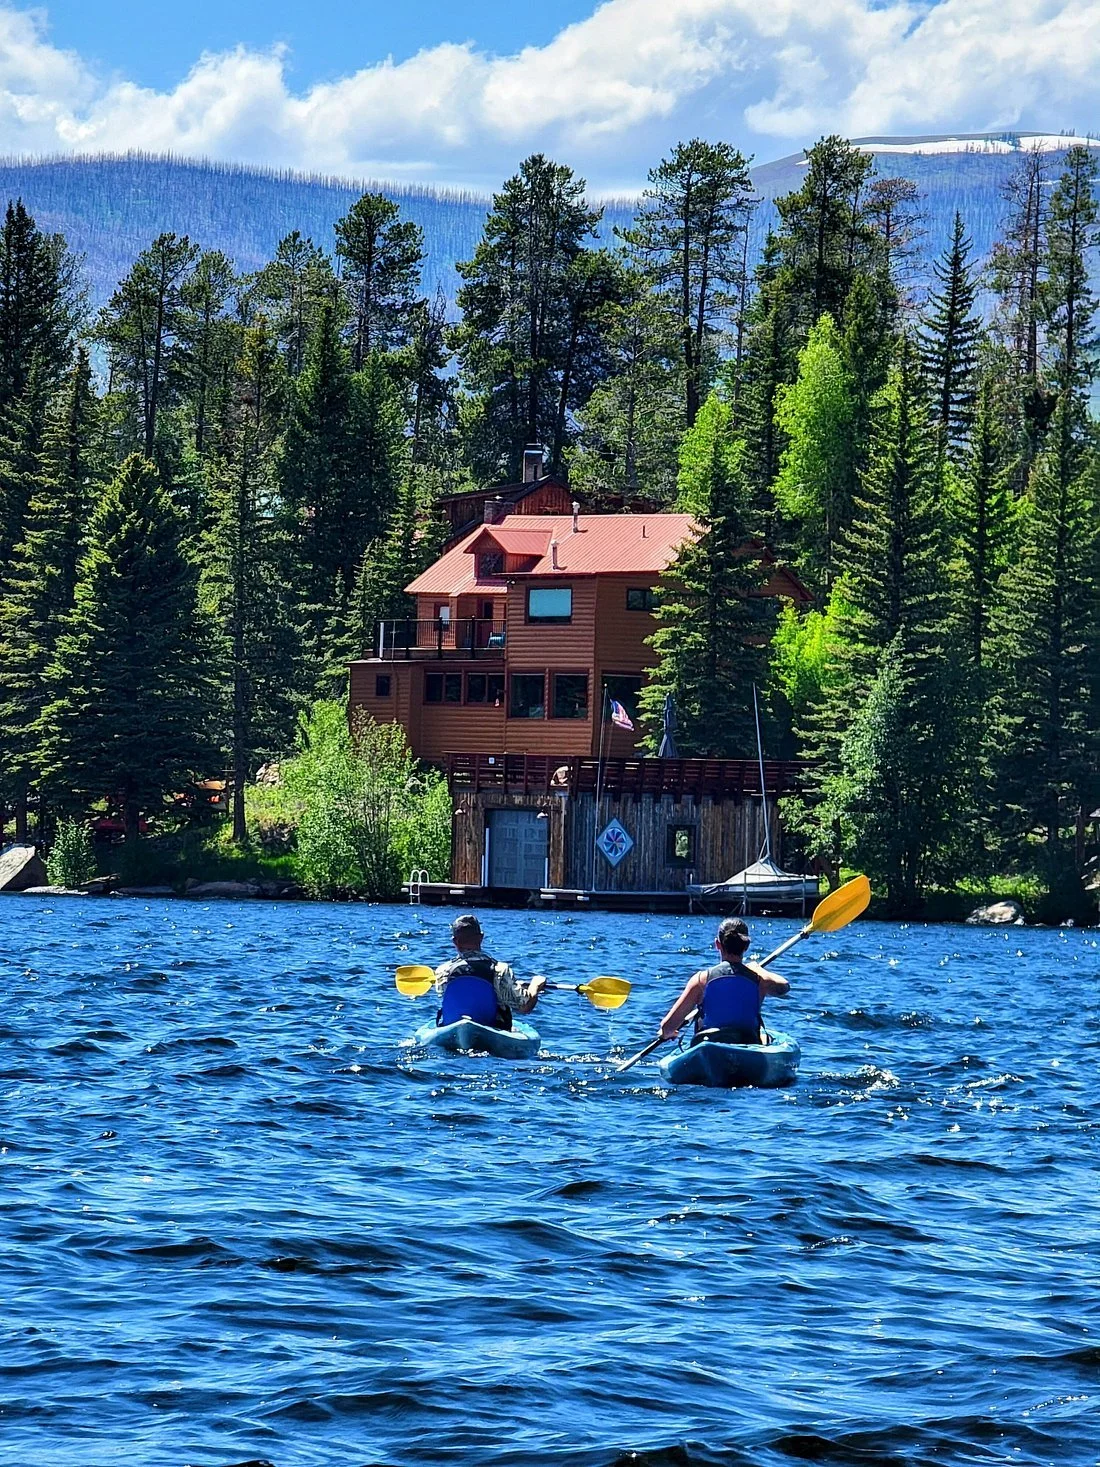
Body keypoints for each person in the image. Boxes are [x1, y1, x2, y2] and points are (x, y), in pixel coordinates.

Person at [658, 917, 789, 1046]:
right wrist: (759, 970)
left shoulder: (701, 980)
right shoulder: (759, 980)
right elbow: (784, 987)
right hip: (747, 1046)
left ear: (717, 944)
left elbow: (667, 1027)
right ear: (746, 946)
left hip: (709, 1047)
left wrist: (668, 1033)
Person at [433, 914, 546, 1030]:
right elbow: (525, 1007)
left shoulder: (443, 971)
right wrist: (535, 986)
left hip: (454, 1028)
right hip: (491, 1029)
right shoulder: (500, 970)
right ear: (481, 937)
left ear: (455, 941)